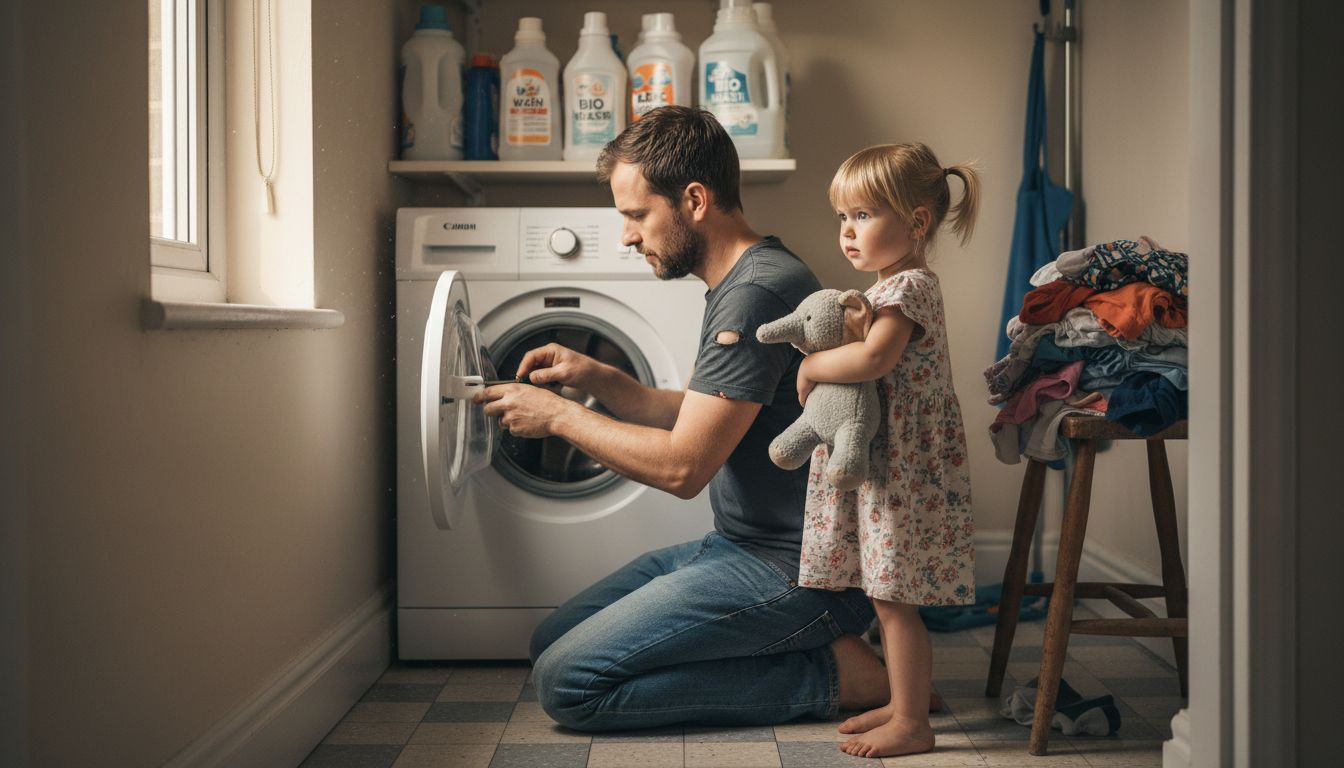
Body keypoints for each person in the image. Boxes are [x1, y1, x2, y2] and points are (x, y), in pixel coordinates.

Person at [476, 106, 890, 730]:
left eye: (637, 215)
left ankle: (836, 674)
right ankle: (795, 647)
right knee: (552, 642)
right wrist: (600, 377)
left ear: (694, 199)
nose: (627, 236)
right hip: (737, 547)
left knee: (567, 685)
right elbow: (712, 417)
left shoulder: (756, 292)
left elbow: (684, 467)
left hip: (798, 572)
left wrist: (559, 417)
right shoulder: (742, 279)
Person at [795, 143, 981, 758]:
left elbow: (876, 360)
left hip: (906, 466)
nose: (848, 231)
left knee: (894, 597)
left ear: (917, 223)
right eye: (842, 218)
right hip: (887, 460)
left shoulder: (910, 287)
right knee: (882, 590)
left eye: (865, 215)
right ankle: (901, 704)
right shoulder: (882, 289)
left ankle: (912, 723)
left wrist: (814, 365)